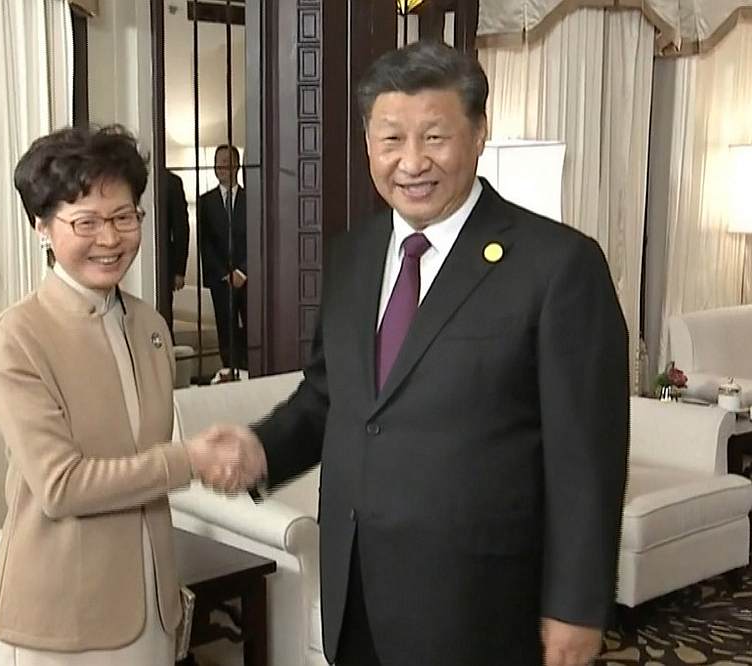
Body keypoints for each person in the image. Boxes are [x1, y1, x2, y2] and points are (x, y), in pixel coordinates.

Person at [206, 41, 629, 666]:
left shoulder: (558, 265)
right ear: (367, 143)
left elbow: (586, 457)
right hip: (356, 587)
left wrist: (576, 606)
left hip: (480, 604)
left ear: (479, 132)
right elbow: (332, 396)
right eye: (390, 139)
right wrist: (262, 447)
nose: (411, 162)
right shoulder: (354, 254)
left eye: (435, 137)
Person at [0, 125, 252, 665]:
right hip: (65, 618)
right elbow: (62, 486)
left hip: (153, 607)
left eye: (124, 217)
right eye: (85, 221)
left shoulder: (150, 326)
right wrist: (189, 460)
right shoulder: (18, 337)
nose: (110, 239)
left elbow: (142, 458)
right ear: (42, 225)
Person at [198, 144, 248, 372]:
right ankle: (229, 371)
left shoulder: (252, 198)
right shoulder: (205, 202)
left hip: (249, 279)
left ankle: (251, 372)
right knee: (225, 329)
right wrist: (224, 273)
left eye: (227, 162)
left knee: (251, 329)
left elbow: (259, 238)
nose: (222, 168)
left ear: (236, 165)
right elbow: (204, 243)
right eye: (218, 163)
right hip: (220, 279)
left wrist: (242, 271)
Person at [164, 168, 189, 340]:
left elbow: (181, 229)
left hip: (163, 265)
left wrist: (179, 270)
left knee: (164, 321)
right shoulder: (119, 178)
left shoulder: (171, 182)